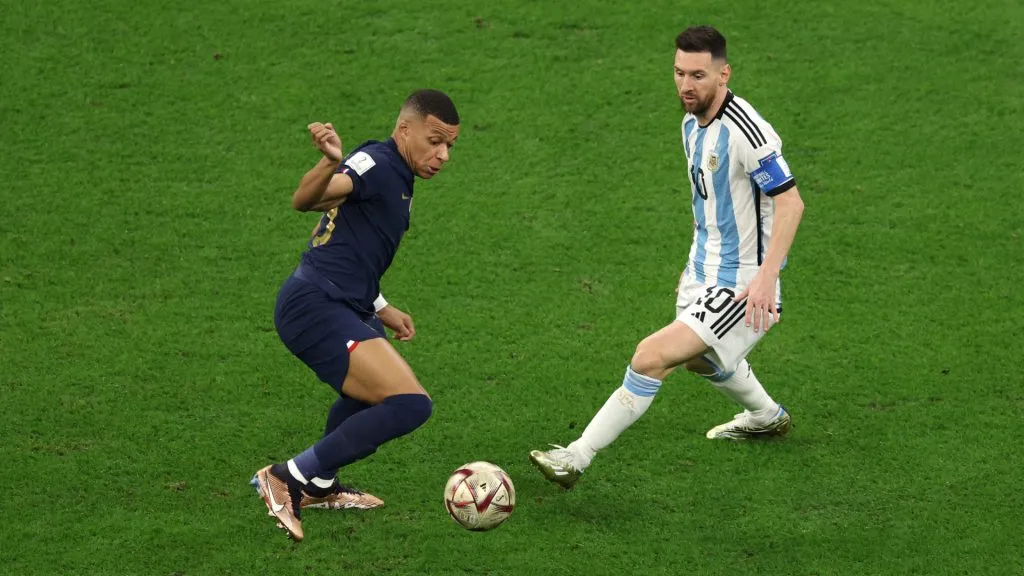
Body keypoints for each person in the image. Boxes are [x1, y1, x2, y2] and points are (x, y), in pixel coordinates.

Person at [530, 26, 805, 489]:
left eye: (698, 75)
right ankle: (766, 415)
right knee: (702, 361)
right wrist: (692, 266)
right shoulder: (690, 123)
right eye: (679, 73)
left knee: (651, 356)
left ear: (724, 72)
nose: (686, 85)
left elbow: (791, 203)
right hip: (704, 270)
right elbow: (712, 205)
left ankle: (575, 457)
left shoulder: (748, 132)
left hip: (742, 283)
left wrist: (765, 277)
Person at [252, 89, 460, 541]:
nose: (442, 155)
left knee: (370, 397)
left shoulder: (394, 167)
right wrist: (329, 162)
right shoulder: (381, 166)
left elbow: (347, 238)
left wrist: (381, 307)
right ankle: (288, 476)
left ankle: (322, 486)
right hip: (315, 306)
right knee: (410, 405)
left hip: (346, 301)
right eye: (434, 141)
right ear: (405, 129)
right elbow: (308, 202)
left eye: (450, 146)